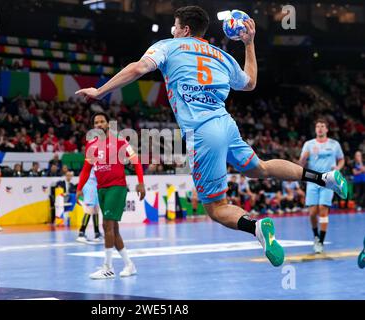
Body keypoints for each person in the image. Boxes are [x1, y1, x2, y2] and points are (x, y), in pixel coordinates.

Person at [76, 5, 348, 267]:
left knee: (216, 208)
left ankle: (256, 227)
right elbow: (250, 83)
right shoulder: (221, 55)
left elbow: (137, 68)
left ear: (183, 29)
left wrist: (101, 91)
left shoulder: (167, 46)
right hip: (225, 123)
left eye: (174, 25)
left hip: (203, 133)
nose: (172, 30)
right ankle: (323, 177)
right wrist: (249, 44)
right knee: (258, 168)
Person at [76, 112, 145, 279]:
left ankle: (108, 267)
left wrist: (141, 182)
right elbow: (86, 169)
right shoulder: (91, 146)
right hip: (102, 189)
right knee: (113, 230)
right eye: (96, 122)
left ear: (108, 124)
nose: (99, 124)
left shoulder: (120, 142)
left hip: (117, 187)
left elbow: (136, 161)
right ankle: (129, 265)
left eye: (102, 121)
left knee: (107, 225)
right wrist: (79, 188)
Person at [300, 118, 345, 254]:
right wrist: (304, 158)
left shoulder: (334, 144)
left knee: (323, 210)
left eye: (322, 126)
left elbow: (341, 159)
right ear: (315, 129)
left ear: (326, 129)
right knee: (313, 213)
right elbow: (301, 164)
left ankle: (321, 242)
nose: (320, 128)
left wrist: (338, 167)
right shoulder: (308, 144)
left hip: (328, 181)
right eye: (317, 126)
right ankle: (315, 236)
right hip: (312, 180)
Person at [76, 167, 102, 243]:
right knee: (89, 210)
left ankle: (97, 233)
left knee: (96, 210)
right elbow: (83, 174)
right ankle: (81, 232)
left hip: (96, 186)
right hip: (89, 186)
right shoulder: (92, 162)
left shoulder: (99, 161)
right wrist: (80, 188)